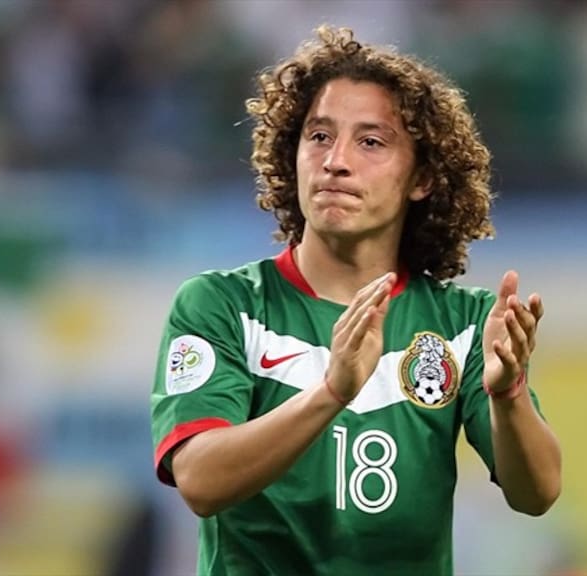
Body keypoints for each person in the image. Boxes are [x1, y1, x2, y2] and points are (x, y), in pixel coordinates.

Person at [150, 25, 562, 575]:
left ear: (422, 178)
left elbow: (537, 493)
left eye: (371, 142)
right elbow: (199, 480)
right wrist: (331, 392)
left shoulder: (460, 323)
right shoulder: (221, 304)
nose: (335, 161)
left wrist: (507, 393)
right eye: (319, 136)